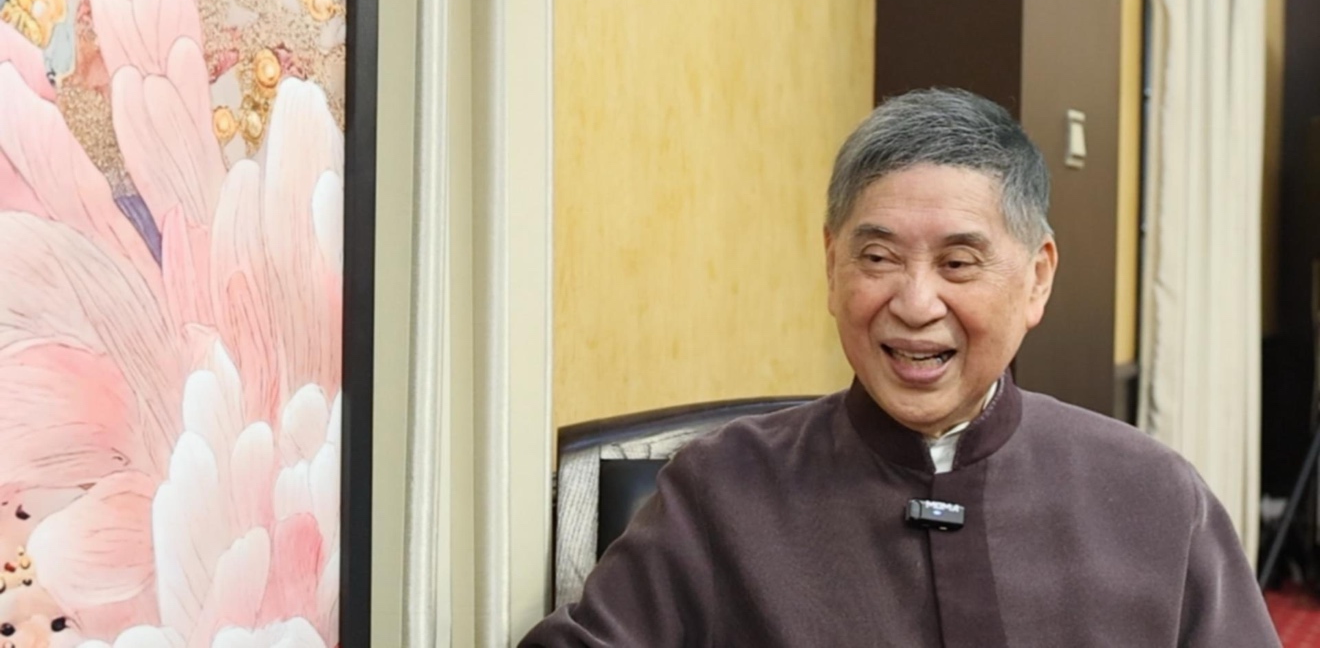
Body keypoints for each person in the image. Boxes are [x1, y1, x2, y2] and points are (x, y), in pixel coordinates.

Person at [518, 88, 1280, 647]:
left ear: (1037, 278)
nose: (915, 304)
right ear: (832, 265)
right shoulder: (722, 486)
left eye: (959, 262)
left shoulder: (1153, 495)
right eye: (878, 257)